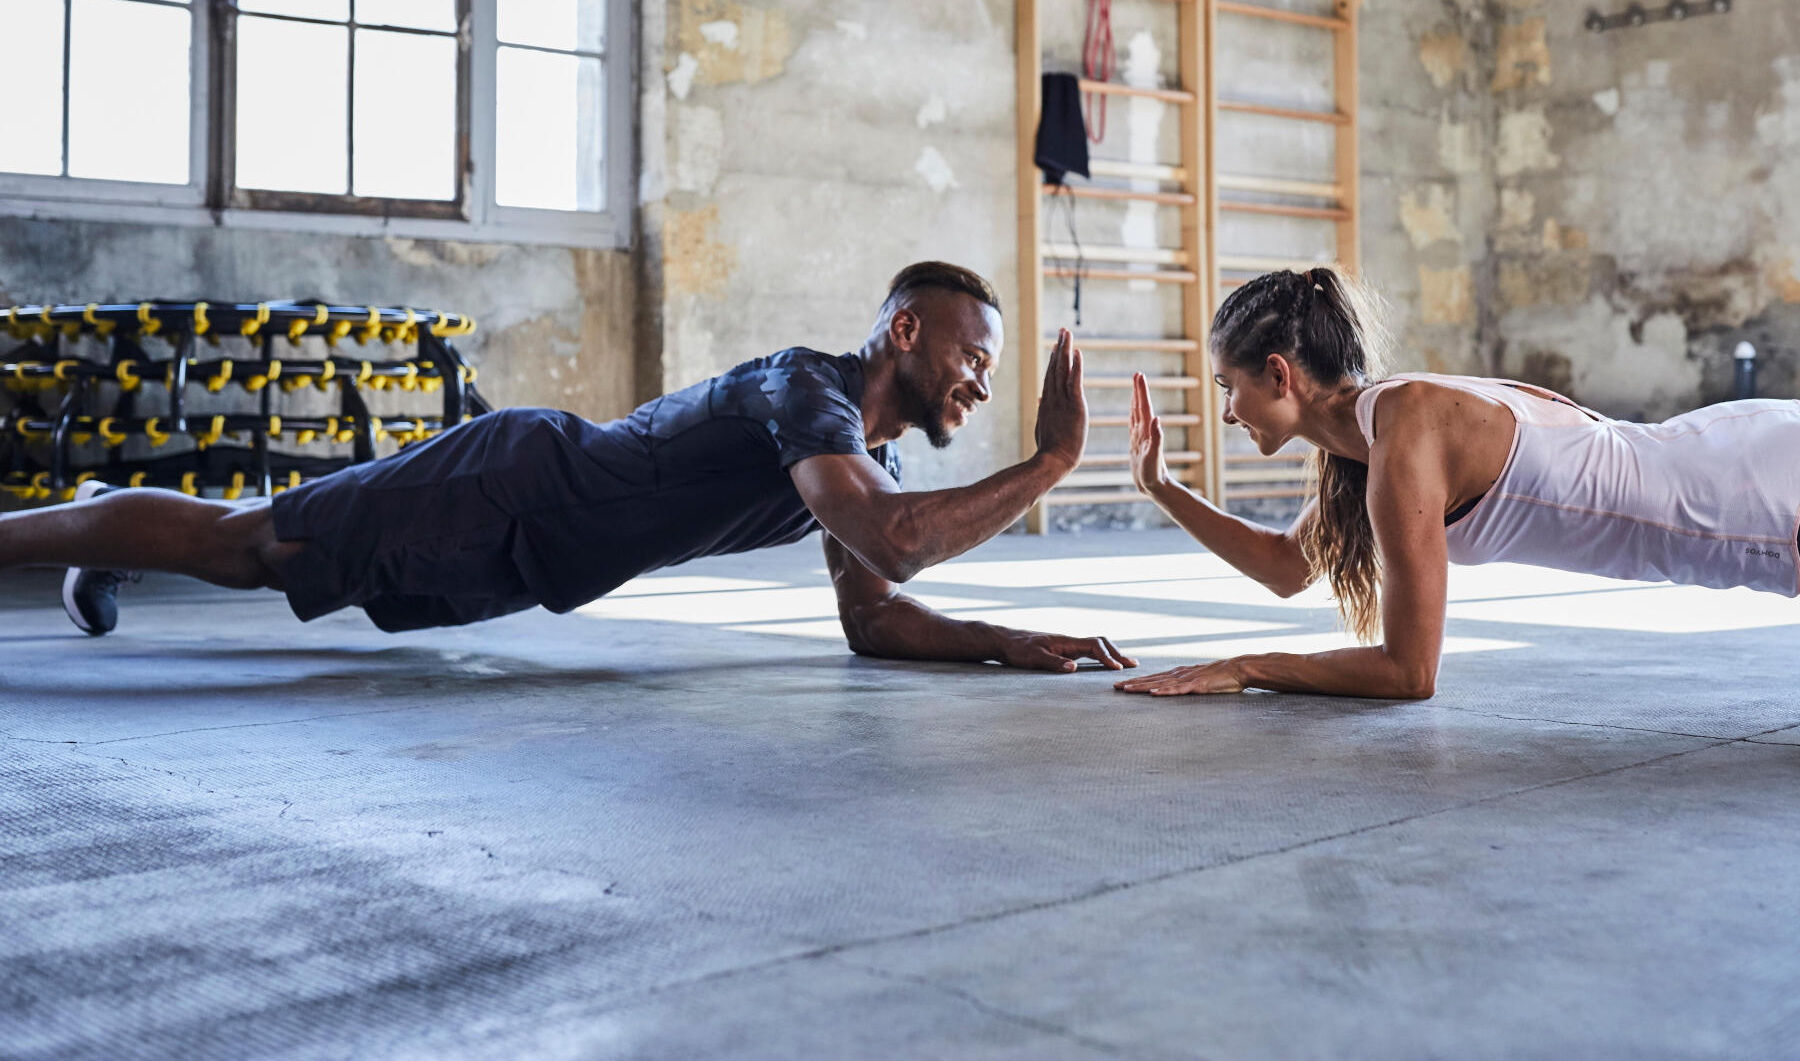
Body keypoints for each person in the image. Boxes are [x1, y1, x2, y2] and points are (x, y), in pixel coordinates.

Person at [6, 262, 1137, 675]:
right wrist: (1053, 461)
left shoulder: (861, 455)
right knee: (251, 549)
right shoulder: (809, 390)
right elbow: (894, 540)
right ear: (904, 332)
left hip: (528, 559)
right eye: (971, 356)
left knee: (271, 556)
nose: (980, 381)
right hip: (516, 484)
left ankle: (107, 528)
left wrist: (1008, 641)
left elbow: (875, 615)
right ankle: (74, 524)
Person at [1114, 266, 1800, 702]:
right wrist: (1161, 487)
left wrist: (1252, 666)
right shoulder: (1380, 434)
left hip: (1772, 503)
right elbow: (1288, 568)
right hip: (1767, 466)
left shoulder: (1407, 436)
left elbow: (1407, 675)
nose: (1226, 410)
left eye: (1229, 386)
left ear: (1280, 374)